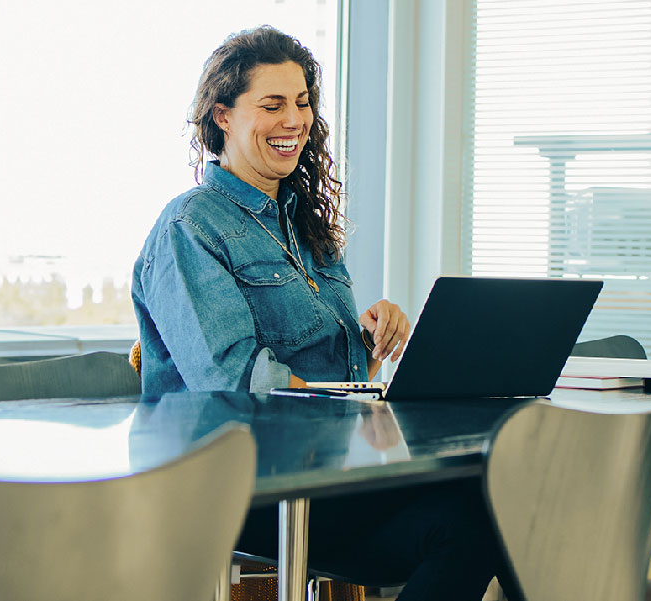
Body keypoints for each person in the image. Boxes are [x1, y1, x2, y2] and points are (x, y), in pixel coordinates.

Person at [132, 26, 516, 601]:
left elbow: (334, 368)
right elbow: (237, 380)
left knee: (500, 502)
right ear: (222, 117)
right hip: (234, 486)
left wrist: (370, 333)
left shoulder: (305, 227)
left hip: (322, 471)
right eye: (272, 104)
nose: (294, 120)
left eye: (303, 102)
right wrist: (353, 408)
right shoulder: (190, 227)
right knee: (468, 523)